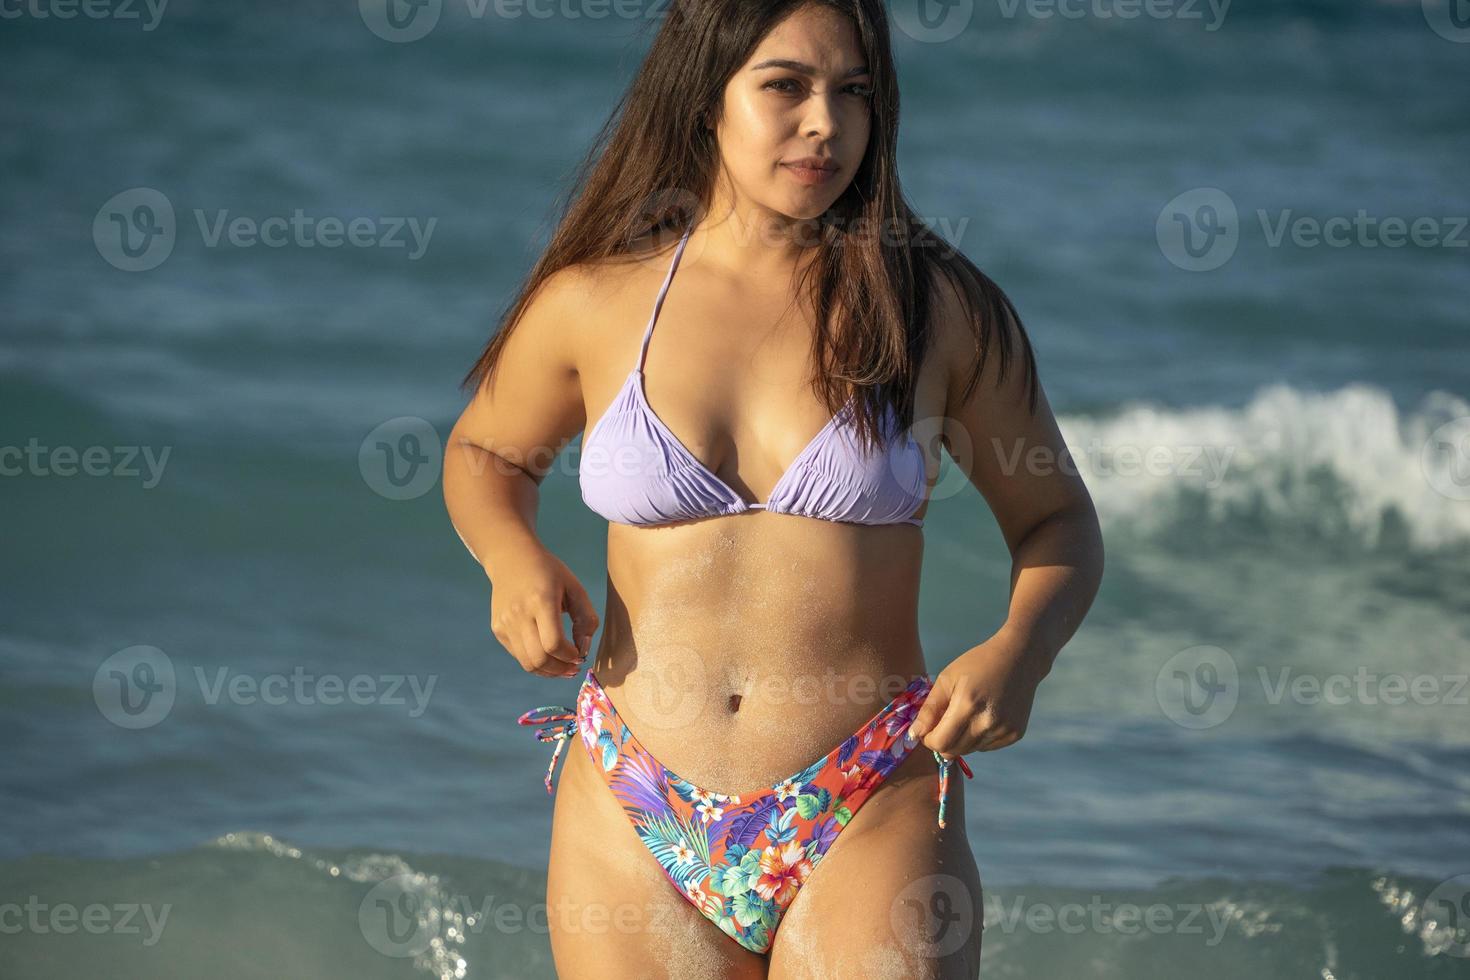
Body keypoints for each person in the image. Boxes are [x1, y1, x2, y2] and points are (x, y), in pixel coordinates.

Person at [443, 2, 1104, 976]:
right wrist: (514, 560)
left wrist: (1021, 649)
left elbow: (1057, 518)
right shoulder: (595, 300)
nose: (826, 123)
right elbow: (485, 455)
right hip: (634, 797)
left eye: (856, 93)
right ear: (706, 99)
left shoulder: (938, 308)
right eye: (786, 86)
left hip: (866, 793)